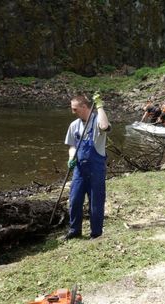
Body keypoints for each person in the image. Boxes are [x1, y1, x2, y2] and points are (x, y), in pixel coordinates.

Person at [64, 93, 110, 240]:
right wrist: (71, 157)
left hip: (96, 169)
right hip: (79, 169)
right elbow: (72, 145)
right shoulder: (74, 125)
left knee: (96, 202)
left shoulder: (97, 121)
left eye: (75, 109)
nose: (73, 112)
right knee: (75, 199)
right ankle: (74, 230)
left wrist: (99, 106)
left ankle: (96, 234)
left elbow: (105, 126)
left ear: (84, 107)